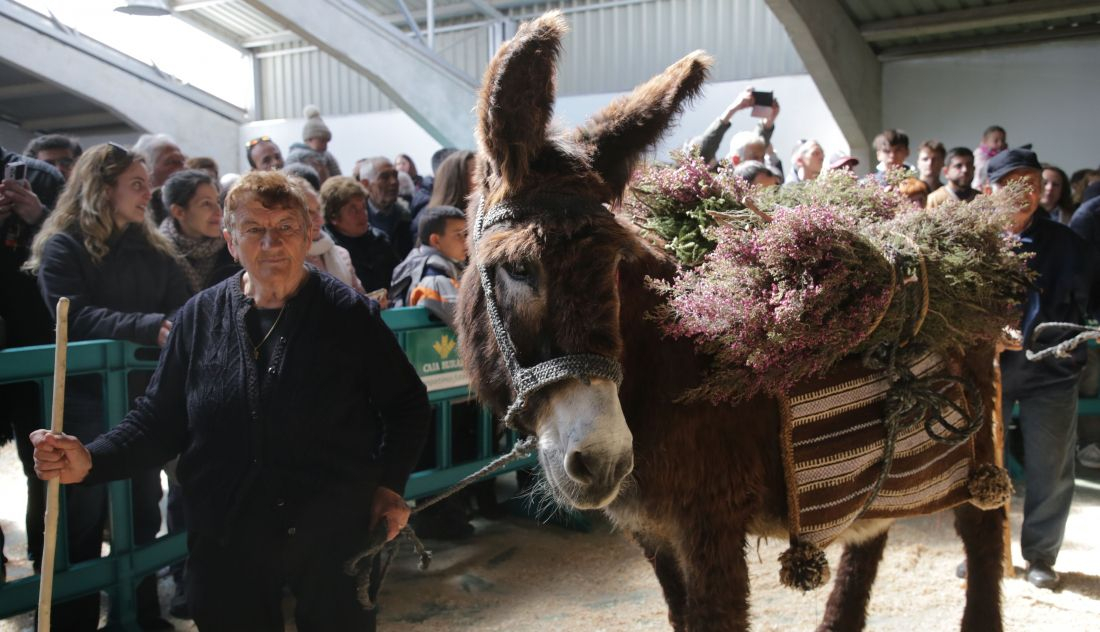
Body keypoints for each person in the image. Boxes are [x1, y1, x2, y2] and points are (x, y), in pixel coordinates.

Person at [30, 170, 431, 631]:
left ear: (308, 237)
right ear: (231, 241)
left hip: (332, 530)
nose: (271, 243)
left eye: (285, 228)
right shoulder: (198, 317)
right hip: (227, 533)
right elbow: (156, 421)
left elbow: (406, 405)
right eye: (254, 230)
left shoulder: (348, 314)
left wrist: (390, 485)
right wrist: (90, 460)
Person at [25, 142, 191, 630]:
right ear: (102, 189)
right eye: (137, 185)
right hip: (84, 401)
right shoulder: (64, 246)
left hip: (141, 399)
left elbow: (181, 306)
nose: (148, 194)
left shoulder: (154, 248)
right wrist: (146, 326)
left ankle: (137, 614)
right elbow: (70, 314)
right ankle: (69, 620)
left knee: (141, 509)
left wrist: (172, 326)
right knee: (80, 514)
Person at [986, 147, 1091, 591]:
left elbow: (1089, 301)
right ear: (988, 190)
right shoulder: (973, 239)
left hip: (1053, 370)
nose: (1024, 193)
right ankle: (986, 552)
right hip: (989, 369)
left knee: (1052, 466)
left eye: (1031, 183)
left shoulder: (1067, 243)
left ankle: (1041, 557)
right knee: (984, 465)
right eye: (1012, 184)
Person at [1, 144, 64, 585]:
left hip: (34, 341)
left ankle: (50, 572)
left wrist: (36, 216)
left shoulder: (41, 176)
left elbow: (70, 247)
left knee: (41, 460)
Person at [321, 175, 398, 295]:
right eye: (353, 210)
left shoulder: (380, 240)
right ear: (333, 217)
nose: (363, 215)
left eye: (363, 207)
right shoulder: (327, 250)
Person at [389, 205, 467, 323]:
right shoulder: (433, 279)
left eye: (466, 234)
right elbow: (468, 323)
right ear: (435, 240)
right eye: (459, 235)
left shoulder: (416, 263)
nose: (466, 241)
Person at [292, 175, 365, 294]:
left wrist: (375, 302)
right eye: (309, 212)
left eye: (318, 210)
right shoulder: (282, 262)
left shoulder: (341, 254)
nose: (320, 220)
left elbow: (360, 300)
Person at [689, 85, 782, 175]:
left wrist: (769, 121)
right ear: (736, 160)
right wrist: (732, 110)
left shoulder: (764, 181)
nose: (760, 163)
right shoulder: (723, 180)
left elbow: (757, 147)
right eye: (755, 158)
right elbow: (703, 154)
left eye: (762, 158)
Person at [358, 157, 413, 258]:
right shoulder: (356, 219)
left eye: (395, 175)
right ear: (365, 184)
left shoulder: (406, 215)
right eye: (385, 177)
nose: (394, 182)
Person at [134, 134, 187, 225]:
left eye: (183, 162)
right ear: (147, 169)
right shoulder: (136, 213)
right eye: (172, 162)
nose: (183, 169)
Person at [298, 104, 342, 176]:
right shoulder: (297, 155)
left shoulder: (328, 157)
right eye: (322, 141)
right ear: (310, 139)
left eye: (326, 142)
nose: (325, 145)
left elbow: (337, 175)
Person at [972, 124, 1007, 190]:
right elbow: (983, 170)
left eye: (1003, 140)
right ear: (984, 140)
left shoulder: (1004, 154)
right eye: (996, 141)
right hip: (980, 187)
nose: (1000, 144)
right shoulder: (979, 154)